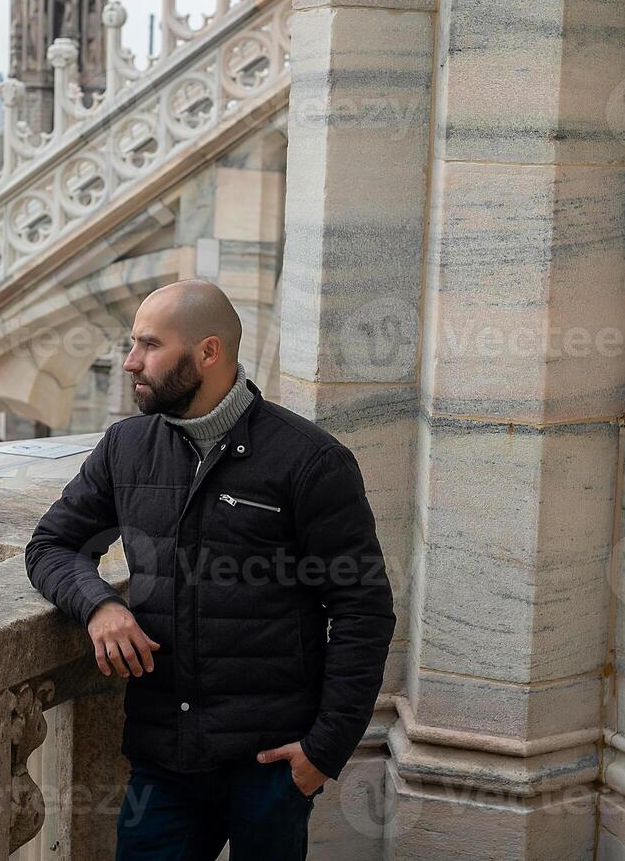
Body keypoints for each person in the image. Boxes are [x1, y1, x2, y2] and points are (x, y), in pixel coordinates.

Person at [24, 278, 395, 860]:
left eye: (149, 345)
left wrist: (323, 752)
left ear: (208, 352)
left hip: (270, 764)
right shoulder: (126, 447)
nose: (130, 362)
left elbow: (362, 609)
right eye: (132, 344)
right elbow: (50, 546)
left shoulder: (309, 460)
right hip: (162, 759)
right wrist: (98, 604)